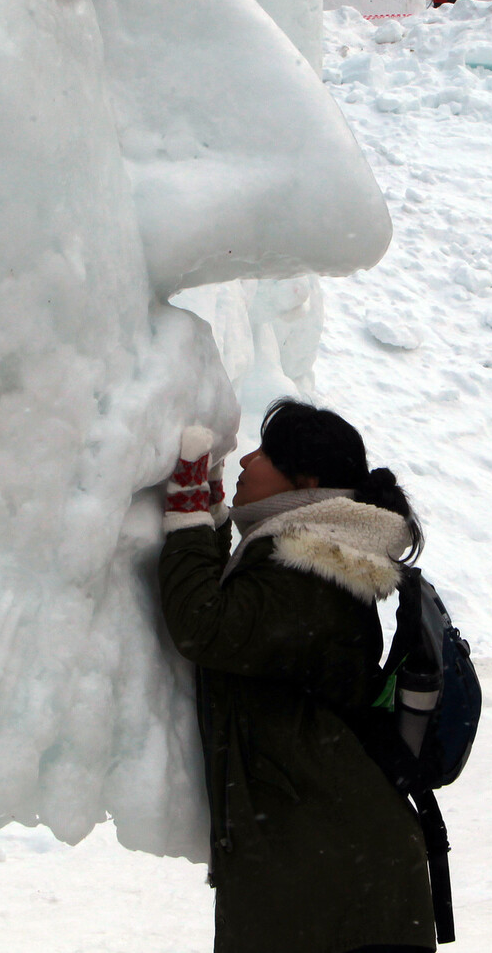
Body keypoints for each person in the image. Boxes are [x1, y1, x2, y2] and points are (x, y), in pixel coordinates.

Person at [159, 400, 437, 953]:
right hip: (322, 841)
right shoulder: (309, 555)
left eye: (263, 454)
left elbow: (207, 629)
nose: (246, 462)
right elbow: (241, 619)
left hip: (325, 852)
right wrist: (212, 521)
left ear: (304, 480)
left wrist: (188, 516)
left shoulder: (314, 563)